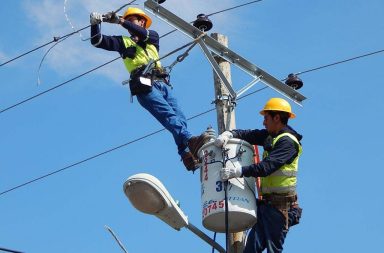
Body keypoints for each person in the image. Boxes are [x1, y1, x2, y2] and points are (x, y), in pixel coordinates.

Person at [89, 8, 209, 171]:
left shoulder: (152, 37)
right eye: (128, 20)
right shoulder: (123, 42)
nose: (130, 23)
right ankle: (190, 141)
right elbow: (97, 41)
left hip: (163, 84)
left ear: (142, 22)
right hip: (144, 85)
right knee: (169, 115)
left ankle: (187, 155)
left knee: (180, 118)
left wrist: (120, 21)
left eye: (133, 20)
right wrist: (95, 24)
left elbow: (142, 34)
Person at [214, 97, 303, 253]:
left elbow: (267, 167)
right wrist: (230, 134)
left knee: (273, 250)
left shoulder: (288, 142)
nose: (263, 122)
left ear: (277, 118)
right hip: (267, 207)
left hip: (280, 209)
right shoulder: (273, 136)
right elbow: (251, 135)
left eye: (266, 118)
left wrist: (238, 171)